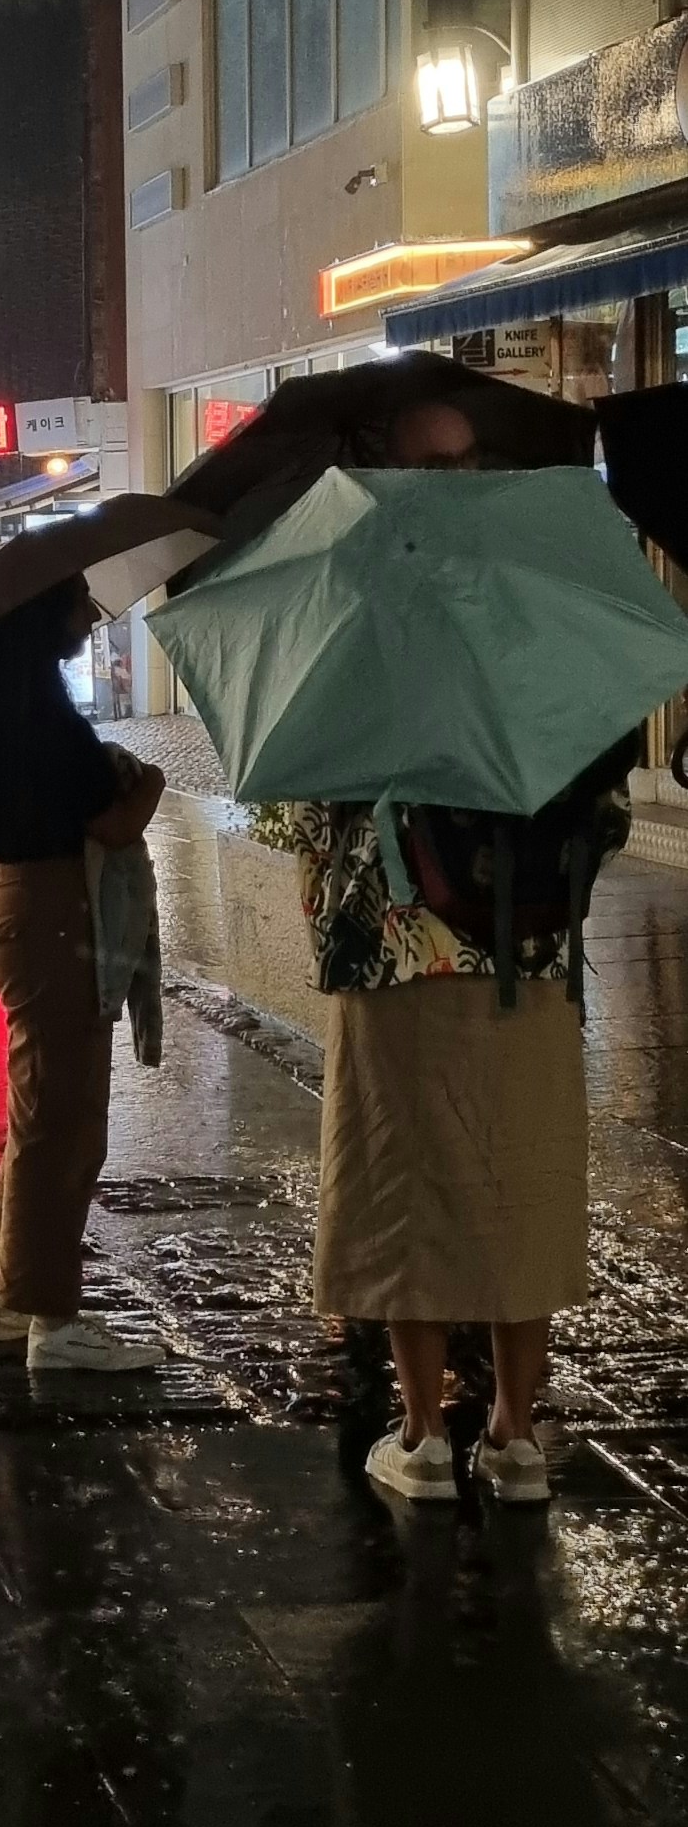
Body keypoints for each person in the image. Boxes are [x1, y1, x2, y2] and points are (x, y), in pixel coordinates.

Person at [274, 388, 630, 1509]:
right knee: (517, 1185)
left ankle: (425, 1436)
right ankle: (518, 1438)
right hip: (525, 950)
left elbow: (303, 805)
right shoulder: (537, 611)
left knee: (403, 1187)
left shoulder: (353, 610)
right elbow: (605, 794)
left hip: (392, 955)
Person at [0, 575, 163, 1376]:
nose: (89, 614)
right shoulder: (44, 719)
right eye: (76, 601)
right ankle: (53, 1320)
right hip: (54, 918)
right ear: (42, 614)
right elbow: (111, 818)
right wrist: (153, 783)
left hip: (20, 909)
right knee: (62, 1125)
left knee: (39, 1117)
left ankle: (9, 1299)